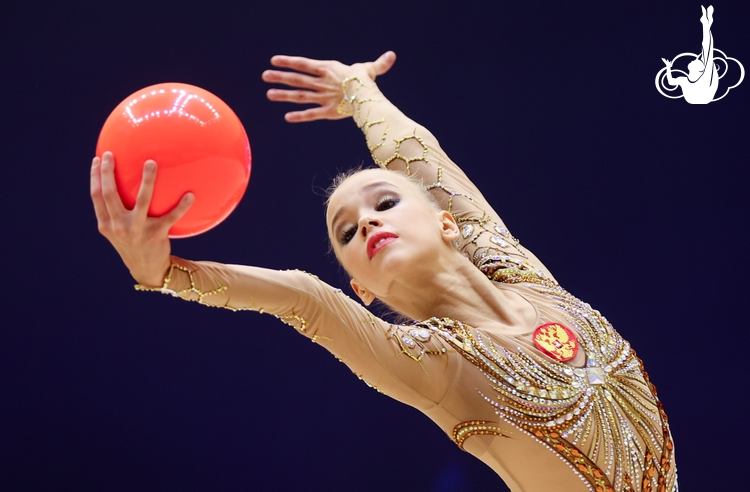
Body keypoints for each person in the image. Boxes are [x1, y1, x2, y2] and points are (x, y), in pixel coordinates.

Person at [90, 52, 677, 492]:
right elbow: (304, 298)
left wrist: (357, 89)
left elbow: (421, 157)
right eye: (346, 232)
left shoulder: (524, 278)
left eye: (385, 203)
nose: (367, 223)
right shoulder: (436, 366)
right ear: (362, 288)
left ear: (449, 224)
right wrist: (163, 272)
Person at [662, 5, 718, 104]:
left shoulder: (690, 79)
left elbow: (708, 50)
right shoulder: (687, 79)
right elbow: (671, 82)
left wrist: (668, 68)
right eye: (698, 61)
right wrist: (668, 67)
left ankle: (706, 24)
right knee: (707, 52)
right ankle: (706, 24)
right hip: (701, 96)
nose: (694, 59)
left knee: (707, 51)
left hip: (702, 95)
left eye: (696, 61)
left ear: (698, 69)